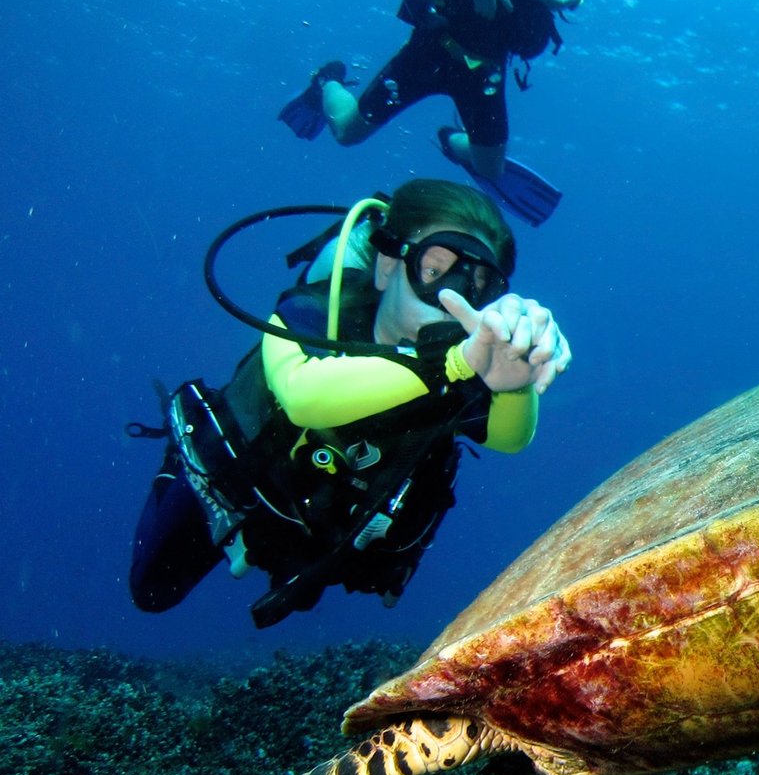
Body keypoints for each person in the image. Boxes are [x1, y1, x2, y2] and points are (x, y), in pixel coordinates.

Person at [129, 178, 571, 628]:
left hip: (322, 529)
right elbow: (303, 397)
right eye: (434, 272)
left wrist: (515, 381)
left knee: (302, 597)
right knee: (152, 591)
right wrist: (452, 365)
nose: (449, 299)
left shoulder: (470, 359)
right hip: (233, 487)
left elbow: (509, 438)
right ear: (387, 267)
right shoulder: (312, 313)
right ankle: (175, 466)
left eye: (477, 285)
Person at [277, 0, 585, 226]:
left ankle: (450, 141)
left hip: (487, 67)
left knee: (490, 167)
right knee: (347, 133)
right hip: (434, 49)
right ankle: (327, 82)